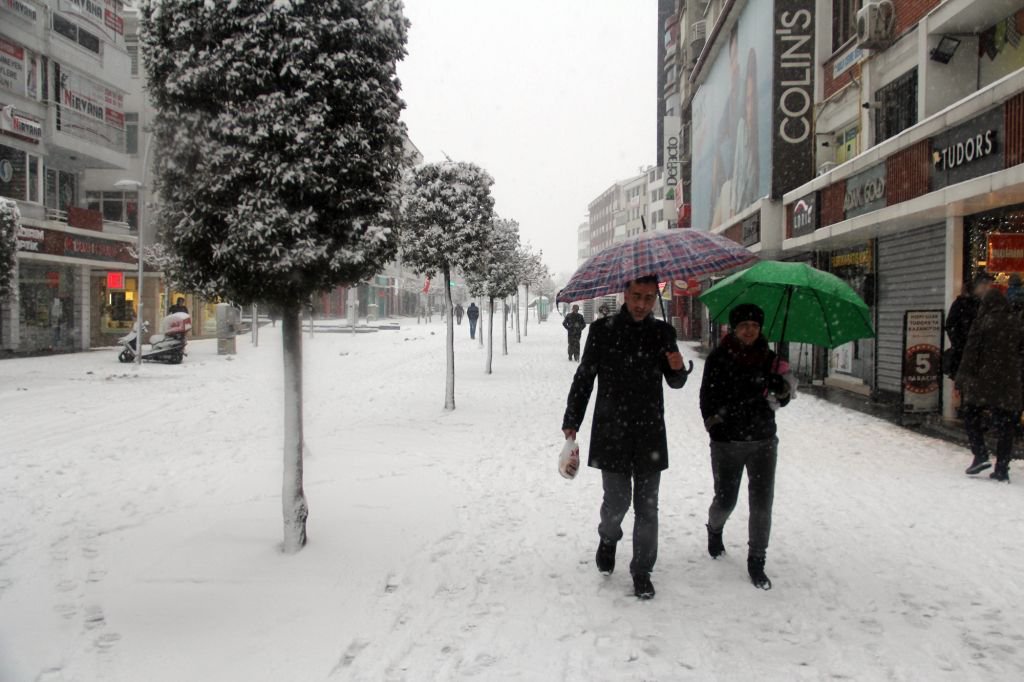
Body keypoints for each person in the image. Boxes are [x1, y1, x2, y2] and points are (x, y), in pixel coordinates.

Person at [562, 275, 690, 600]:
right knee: (616, 501)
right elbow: (585, 377)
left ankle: (642, 570)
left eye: (649, 298)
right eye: (637, 296)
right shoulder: (602, 331)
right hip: (612, 430)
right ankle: (608, 537)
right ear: (625, 293)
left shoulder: (663, 333)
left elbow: (675, 383)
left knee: (648, 508)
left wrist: (677, 370)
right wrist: (572, 419)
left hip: (649, 432)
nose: (643, 304)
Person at [700, 304, 793, 590]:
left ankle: (757, 560)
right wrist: (714, 425)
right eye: (744, 325)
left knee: (762, 504)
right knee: (726, 500)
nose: (749, 330)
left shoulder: (772, 359)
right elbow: (707, 397)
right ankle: (714, 529)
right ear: (734, 328)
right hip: (727, 441)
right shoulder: (718, 358)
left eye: (754, 325)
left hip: (763, 440)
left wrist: (781, 387)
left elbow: (784, 398)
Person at [955, 288, 1023, 483]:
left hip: (983, 381)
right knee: (1006, 426)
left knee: (970, 414)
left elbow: (970, 353)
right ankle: (1002, 468)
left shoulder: (982, 323)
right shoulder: (1017, 323)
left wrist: (961, 379)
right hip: (1010, 383)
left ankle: (980, 453)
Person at [944, 274, 992, 380]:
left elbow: (950, 325)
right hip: (965, 351)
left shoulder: (980, 304)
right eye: (985, 285)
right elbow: (950, 325)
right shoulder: (964, 304)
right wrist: (960, 343)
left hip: (971, 352)